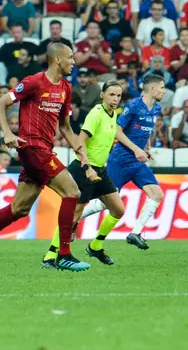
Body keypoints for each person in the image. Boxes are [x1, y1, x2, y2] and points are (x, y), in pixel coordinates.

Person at [0, 42, 92, 273]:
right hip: (32, 147)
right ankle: (64, 254)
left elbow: (66, 127)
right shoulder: (34, 82)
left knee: (19, 208)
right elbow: (0, 104)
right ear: (57, 59)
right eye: (70, 57)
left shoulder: (65, 88)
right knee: (72, 192)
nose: (74, 61)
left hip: (43, 150)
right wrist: (8, 133)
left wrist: (82, 153)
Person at [42, 81, 125, 267]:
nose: (115, 99)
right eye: (111, 95)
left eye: (118, 96)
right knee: (73, 216)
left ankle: (95, 247)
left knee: (118, 209)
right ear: (102, 95)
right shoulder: (96, 114)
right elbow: (79, 141)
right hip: (84, 169)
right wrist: (87, 167)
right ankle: (50, 255)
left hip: (100, 170)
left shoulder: (113, 116)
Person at [79, 74, 166, 250]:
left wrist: (146, 148)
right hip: (120, 160)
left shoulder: (156, 108)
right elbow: (117, 131)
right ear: (152, 88)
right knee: (106, 203)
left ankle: (135, 233)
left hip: (137, 162)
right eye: (162, 88)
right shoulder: (133, 105)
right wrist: (136, 149)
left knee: (157, 194)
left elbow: (146, 131)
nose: (164, 91)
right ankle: (73, 219)